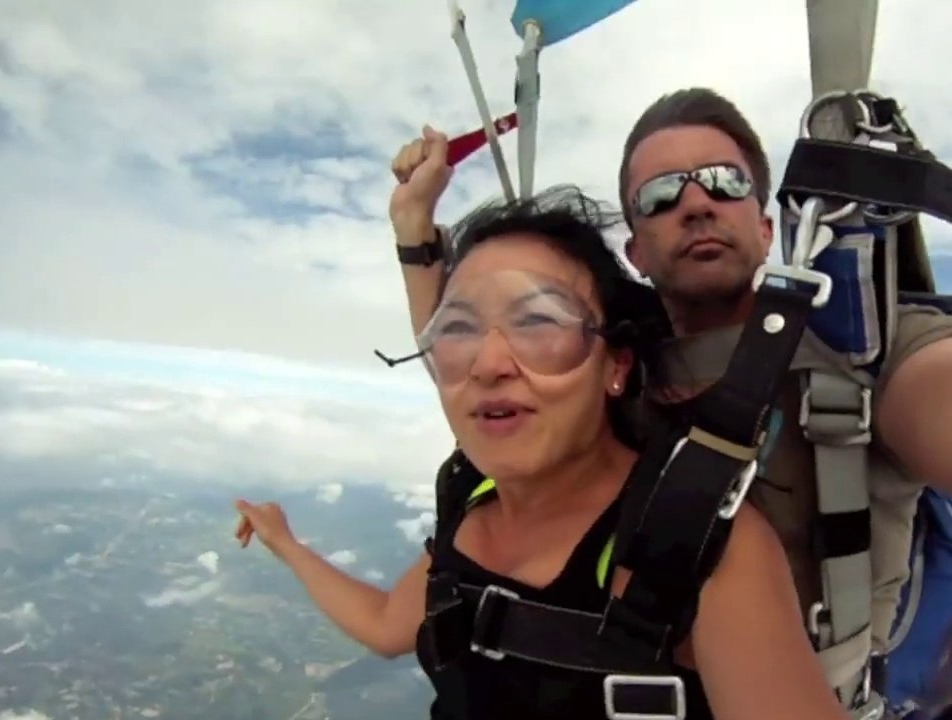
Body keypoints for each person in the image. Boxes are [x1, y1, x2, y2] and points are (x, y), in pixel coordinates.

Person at [386, 87, 952, 719]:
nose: (695, 202)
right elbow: (474, 364)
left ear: (766, 226)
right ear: (636, 249)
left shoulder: (863, 356)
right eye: (659, 195)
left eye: (723, 182)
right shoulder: (610, 359)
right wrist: (416, 231)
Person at [234, 186, 851, 720]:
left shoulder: (694, 549)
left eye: (538, 322)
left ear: (615, 366)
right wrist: (286, 543)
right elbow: (387, 626)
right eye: (459, 329)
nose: (489, 364)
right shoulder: (470, 500)